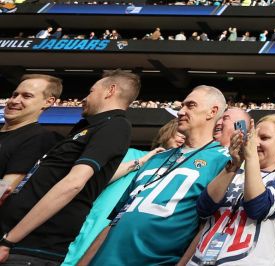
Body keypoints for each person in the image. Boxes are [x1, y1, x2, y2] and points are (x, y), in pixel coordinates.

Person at [0, 71, 136, 266]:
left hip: (31, 247)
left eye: (90, 92)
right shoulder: (89, 127)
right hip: (17, 242)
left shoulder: (115, 125)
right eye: (14, 94)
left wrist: (9, 240)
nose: (84, 98)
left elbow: (73, 183)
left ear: (110, 91)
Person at [85, 86, 232, 266]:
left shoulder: (223, 162)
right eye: (182, 105)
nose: (181, 111)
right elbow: (116, 219)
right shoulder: (156, 158)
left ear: (213, 112)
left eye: (190, 105)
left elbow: (207, 227)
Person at [186, 114, 275, 266]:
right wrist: (234, 164)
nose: (255, 143)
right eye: (253, 137)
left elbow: (257, 207)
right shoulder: (233, 170)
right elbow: (203, 208)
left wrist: (251, 156)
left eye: (264, 138)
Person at [61, 123, 180, 266]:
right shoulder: (133, 154)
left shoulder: (178, 172)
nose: (183, 137)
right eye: (179, 132)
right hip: (92, 230)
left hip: (124, 243)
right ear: (168, 132)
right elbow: (93, 182)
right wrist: (140, 162)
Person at [0, 75, 62, 204]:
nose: (14, 101)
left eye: (26, 96)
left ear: (48, 102)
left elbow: (5, 190)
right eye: (14, 94)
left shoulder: (40, 138)